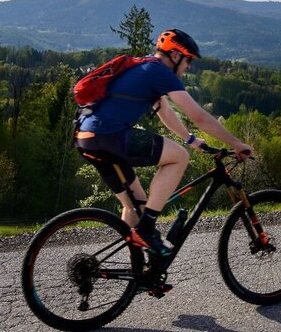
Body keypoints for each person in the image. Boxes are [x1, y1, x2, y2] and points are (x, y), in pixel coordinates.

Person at [75, 28, 252, 258]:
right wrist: (237, 143)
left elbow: (164, 112)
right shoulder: (160, 71)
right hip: (109, 136)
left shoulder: (145, 67)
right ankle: (148, 230)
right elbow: (199, 116)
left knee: (135, 206)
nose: (188, 67)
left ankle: (139, 270)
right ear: (176, 55)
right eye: (188, 60)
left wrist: (190, 139)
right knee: (179, 157)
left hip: (87, 138)